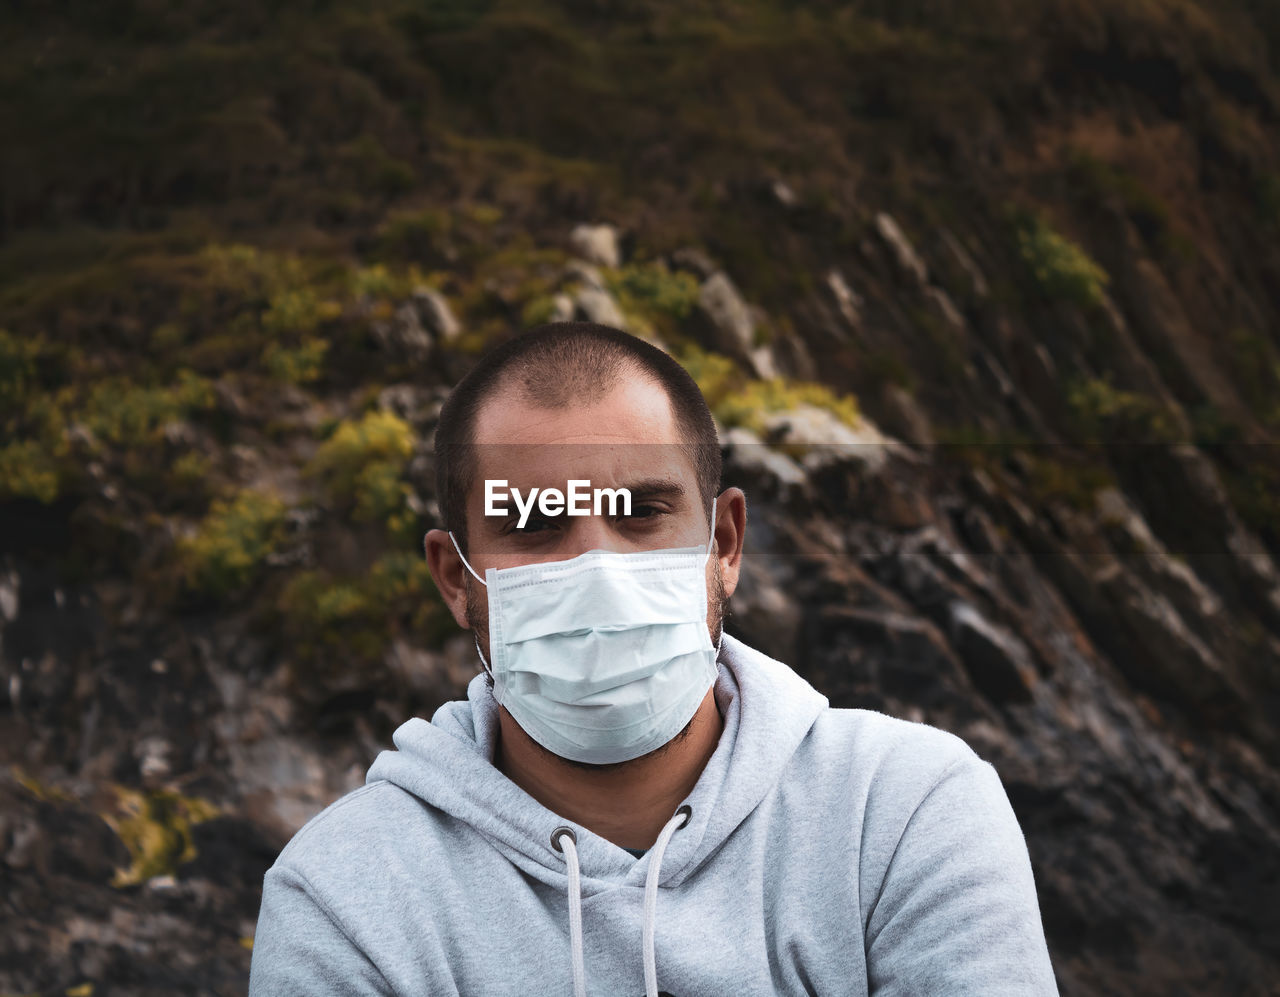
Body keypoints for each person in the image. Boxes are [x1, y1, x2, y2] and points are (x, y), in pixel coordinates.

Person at [248, 321, 1059, 996]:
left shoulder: (903, 813)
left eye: (641, 512)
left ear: (725, 541)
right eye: (534, 526)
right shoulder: (344, 894)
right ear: (457, 578)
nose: (597, 568)